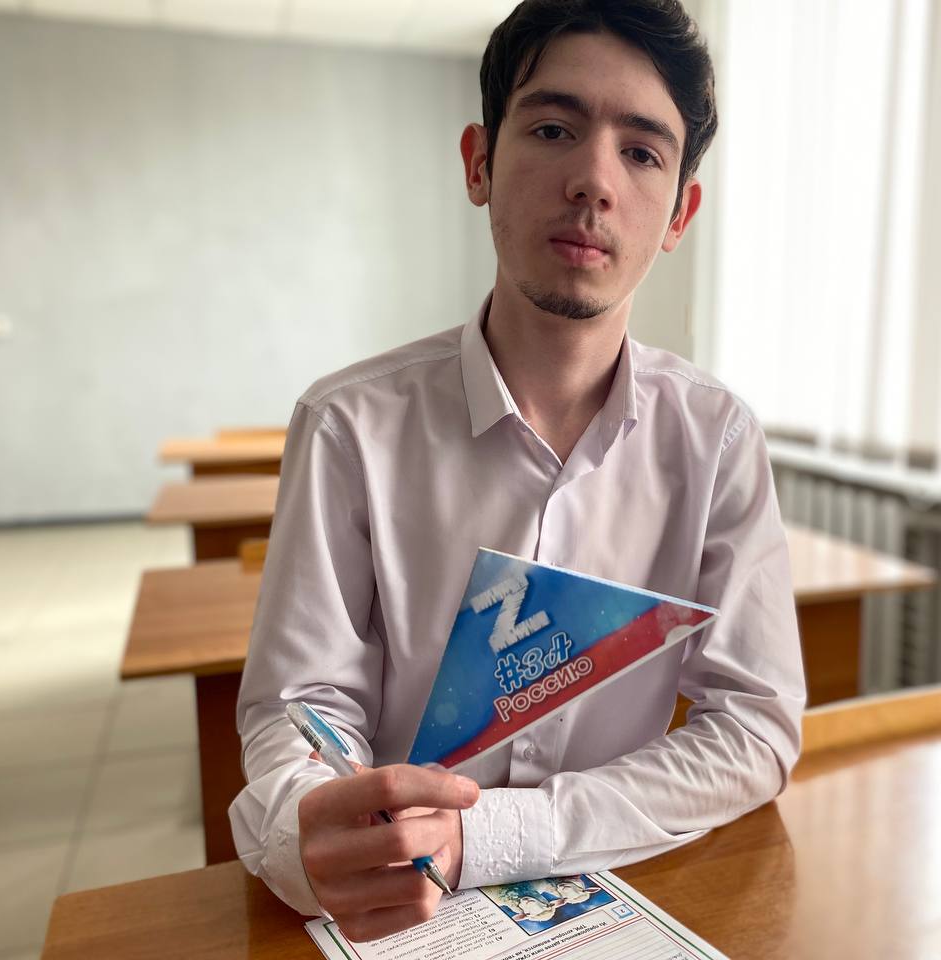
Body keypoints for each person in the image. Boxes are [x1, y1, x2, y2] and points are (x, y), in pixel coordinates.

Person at [231, 0, 806, 944]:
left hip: (624, 899)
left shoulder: (716, 438)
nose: (593, 182)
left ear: (679, 214)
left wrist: (492, 836)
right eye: (551, 130)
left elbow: (754, 726)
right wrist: (313, 826)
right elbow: (301, 708)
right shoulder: (348, 426)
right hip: (396, 914)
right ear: (479, 163)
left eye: (642, 152)